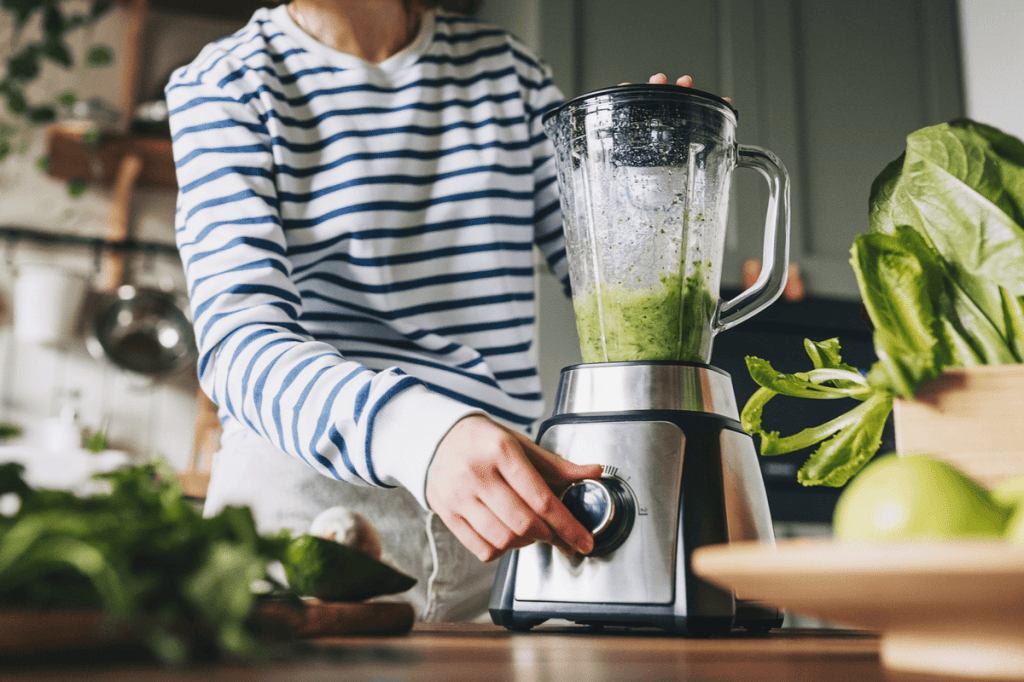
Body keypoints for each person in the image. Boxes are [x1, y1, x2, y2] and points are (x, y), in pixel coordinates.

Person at [165, 0, 696, 621]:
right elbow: (238, 343)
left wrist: (644, 179)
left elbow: (605, 273)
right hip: (304, 526)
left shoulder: (511, 76)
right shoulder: (224, 84)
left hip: (500, 535)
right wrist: (421, 436)